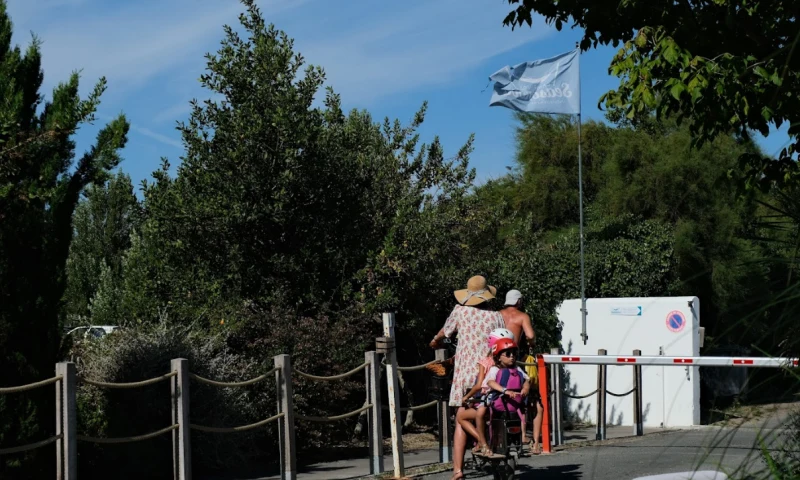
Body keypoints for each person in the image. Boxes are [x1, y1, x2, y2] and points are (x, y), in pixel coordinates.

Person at [430, 275, 504, 480]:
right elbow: (501, 340)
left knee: (461, 418)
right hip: (488, 372)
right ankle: (486, 445)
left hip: (465, 374)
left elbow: (445, 332)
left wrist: (435, 341)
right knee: (486, 412)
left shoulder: (460, 311)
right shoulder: (496, 316)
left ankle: (459, 469)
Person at [456, 328, 515, 457]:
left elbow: (478, 386)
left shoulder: (486, 362)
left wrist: (466, 396)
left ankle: (483, 443)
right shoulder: (512, 366)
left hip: (487, 401)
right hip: (505, 403)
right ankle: (483, 442)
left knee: (461, 417)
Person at [500, 289, 543, 453]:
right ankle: (536, 443)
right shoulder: (522, 316)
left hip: (497, 360)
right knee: (535, 400)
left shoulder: (497, 314)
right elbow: (530, 335)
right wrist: (530, 342)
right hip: (514, 359)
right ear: (518, 301)